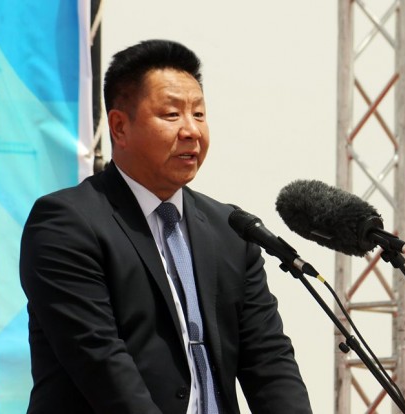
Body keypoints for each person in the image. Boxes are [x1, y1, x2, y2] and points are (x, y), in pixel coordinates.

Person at [19, 39, 312, 414]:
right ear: (119, 127)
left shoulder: (231, 230)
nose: (192, 131)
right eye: (172, 115)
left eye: (199, 114)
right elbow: (101, 363)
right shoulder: (66, 224)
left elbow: (269, 360)